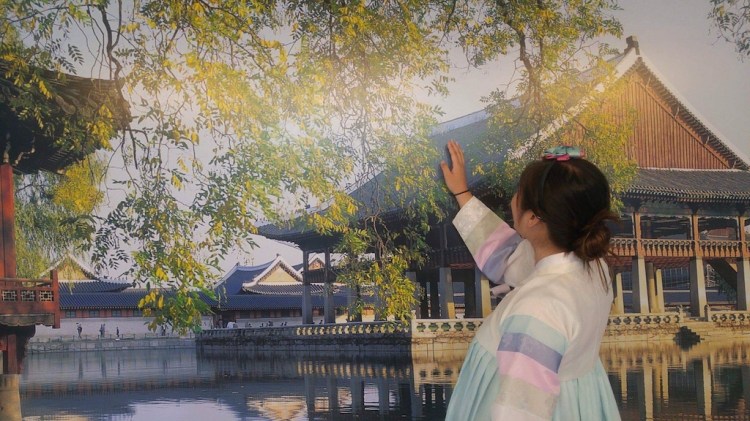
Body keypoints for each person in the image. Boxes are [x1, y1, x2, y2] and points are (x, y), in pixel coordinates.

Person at [440, 140, 620, 420]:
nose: (513, 199)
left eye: (518, 193)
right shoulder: (593, 268)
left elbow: (519, 411)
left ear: (534, 217)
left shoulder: (538, 309)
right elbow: (507, 255)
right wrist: (463, 194)